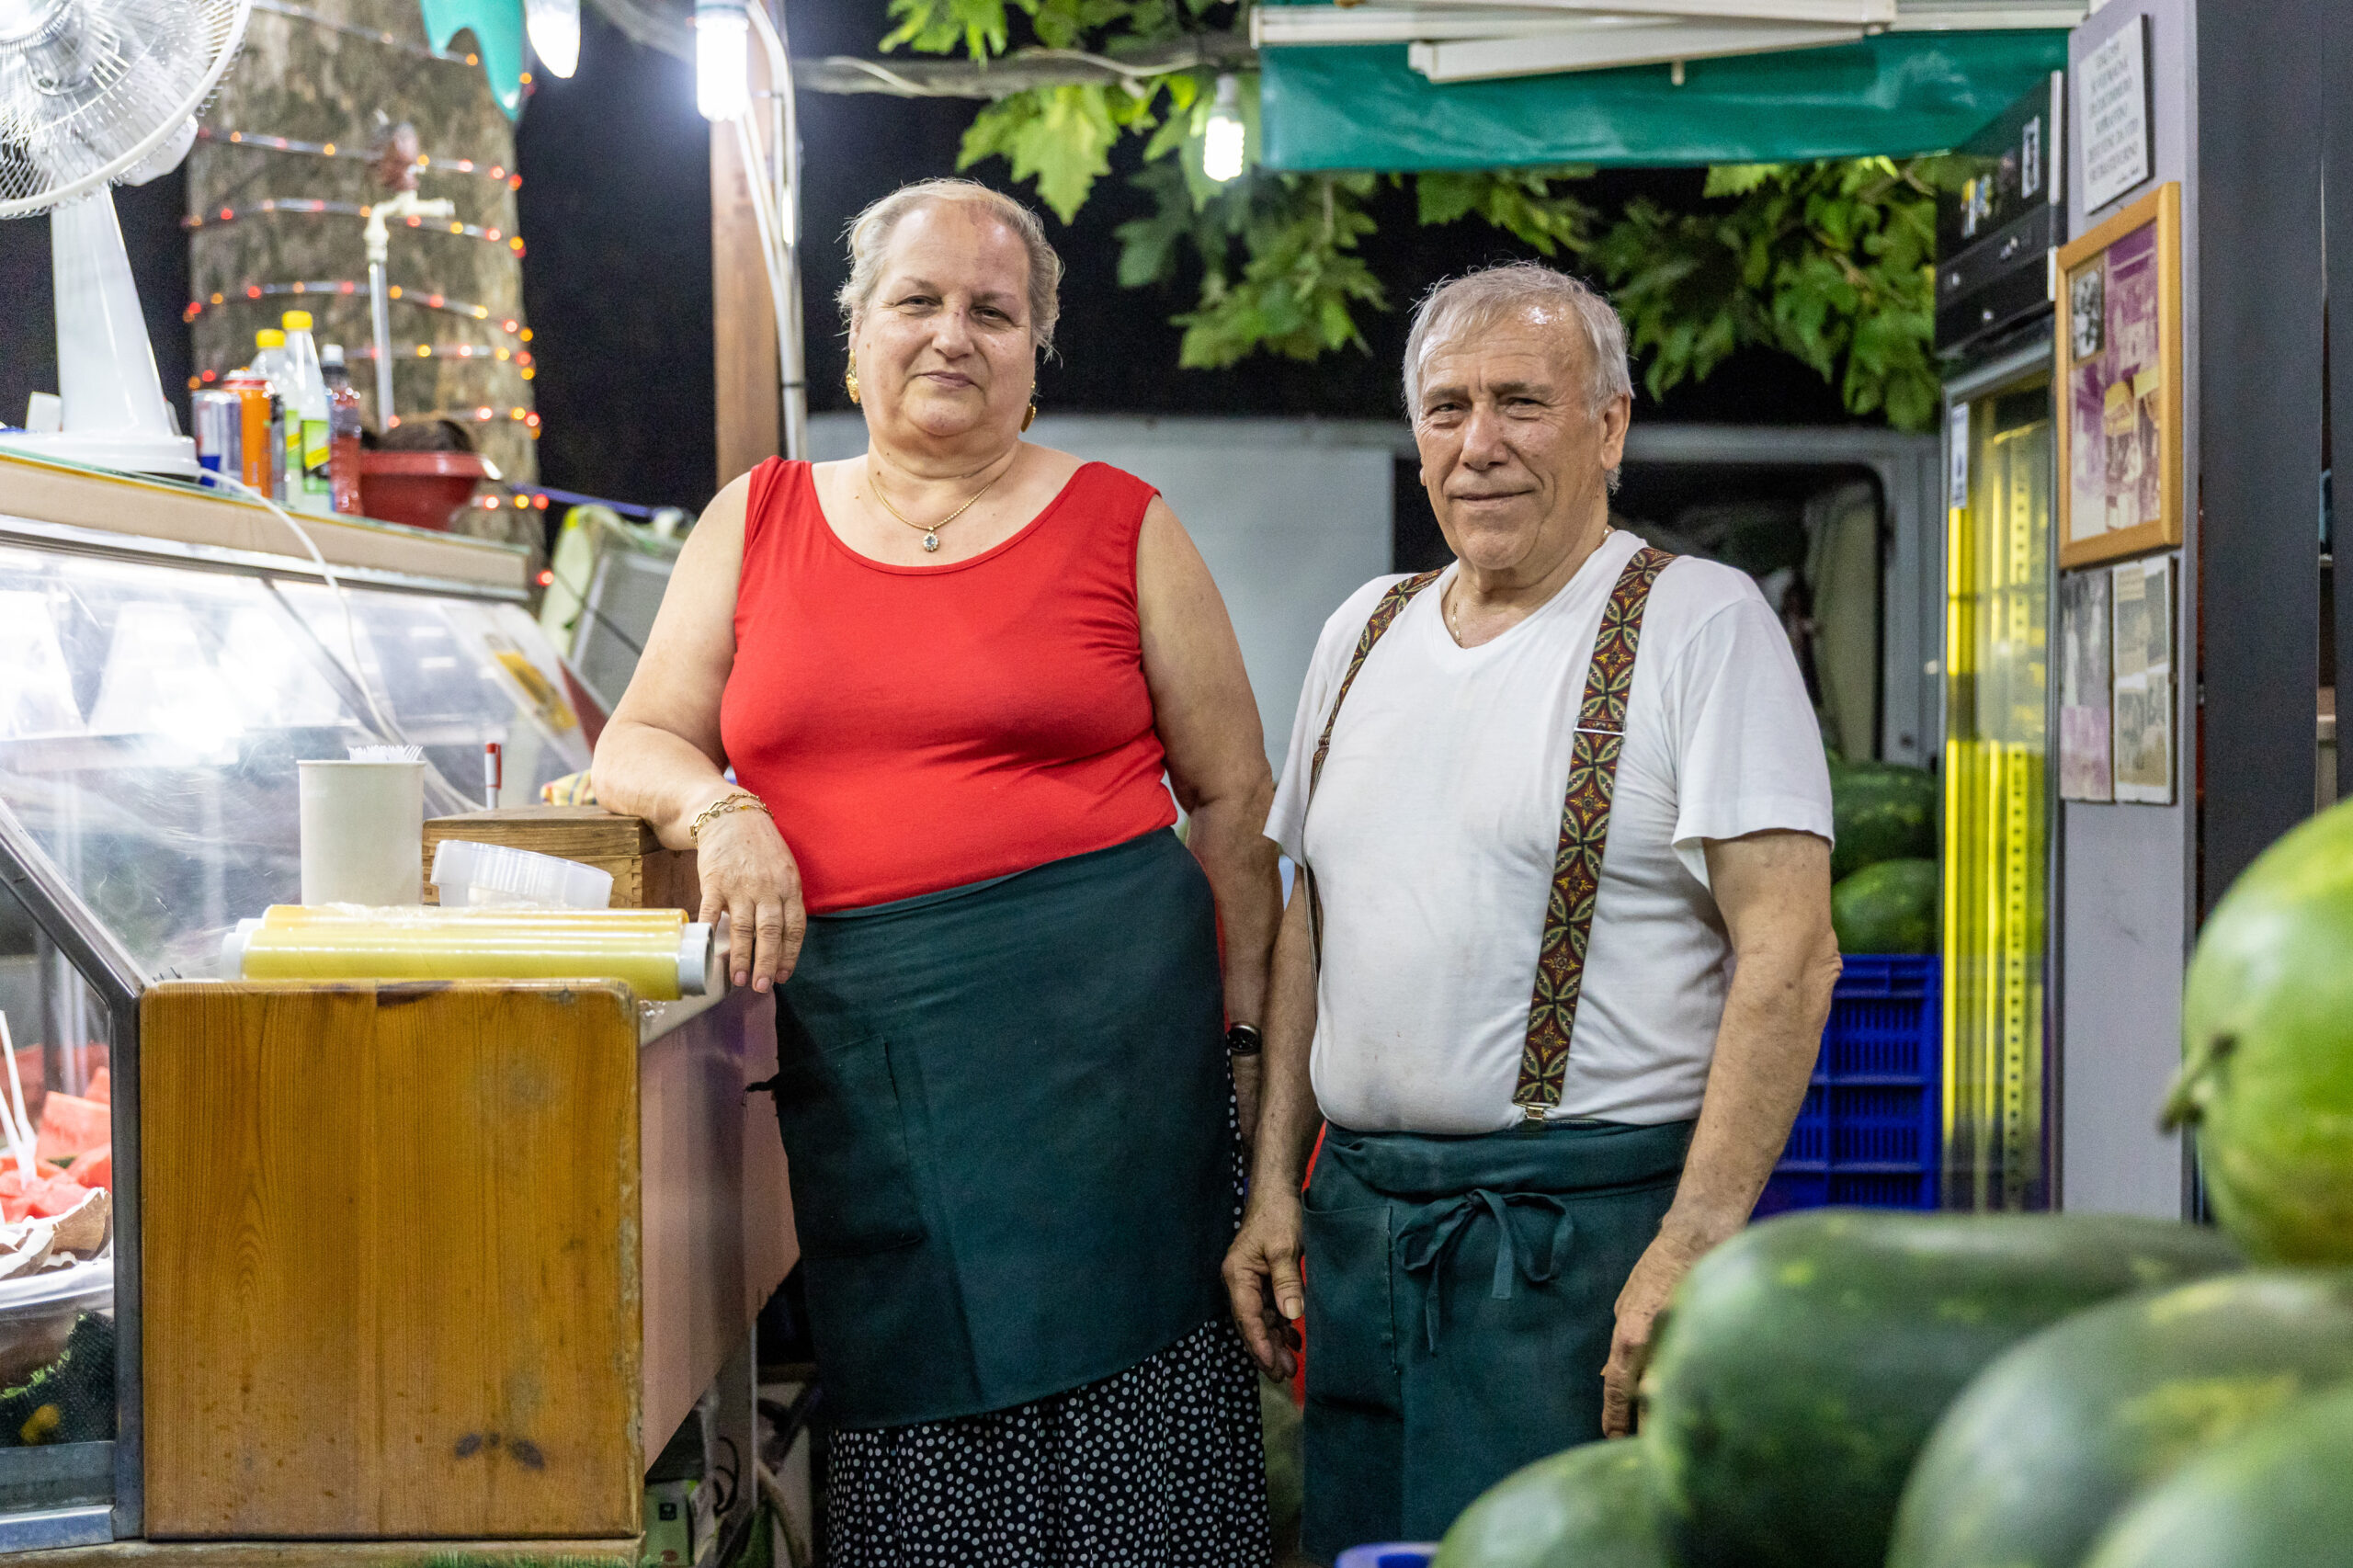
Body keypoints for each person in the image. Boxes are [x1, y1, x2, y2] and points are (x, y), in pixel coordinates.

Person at [594, 178, 1279, 1566]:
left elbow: (1233, 798)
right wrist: (723, 813)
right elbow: (639, 738)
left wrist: (1247, 1053)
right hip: (875, 1070)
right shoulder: (760, 515)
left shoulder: (1124, 523)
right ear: (855, 335)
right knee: (916, 1415)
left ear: (1037, 353)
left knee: (1135, 1421)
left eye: (993, 310)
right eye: (917, 300)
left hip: (1114, 1087)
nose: (952, 334)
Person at [1222, 261, 1841, 1557]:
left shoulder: (1697, 624)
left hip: (1580, 1249)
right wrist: (1275, 1179)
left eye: (1521, 402)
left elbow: (1789, 952)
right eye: (1447, 408)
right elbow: (1309, 920)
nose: (1479, 444)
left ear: (1607, 425)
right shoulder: (1361, 630)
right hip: (1364, 1233)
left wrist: (1694, 1239)